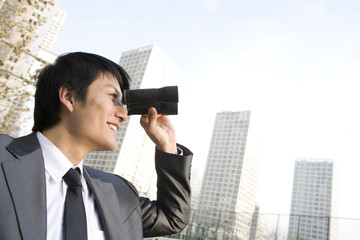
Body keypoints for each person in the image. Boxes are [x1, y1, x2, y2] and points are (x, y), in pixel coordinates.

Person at [0, 52, 193, 240]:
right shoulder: (4, 161)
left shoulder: (119, 192)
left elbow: (173, 217)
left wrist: (167, 145)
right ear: (68, 96)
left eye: (123, 102)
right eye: (112, 97)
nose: (124, 115)